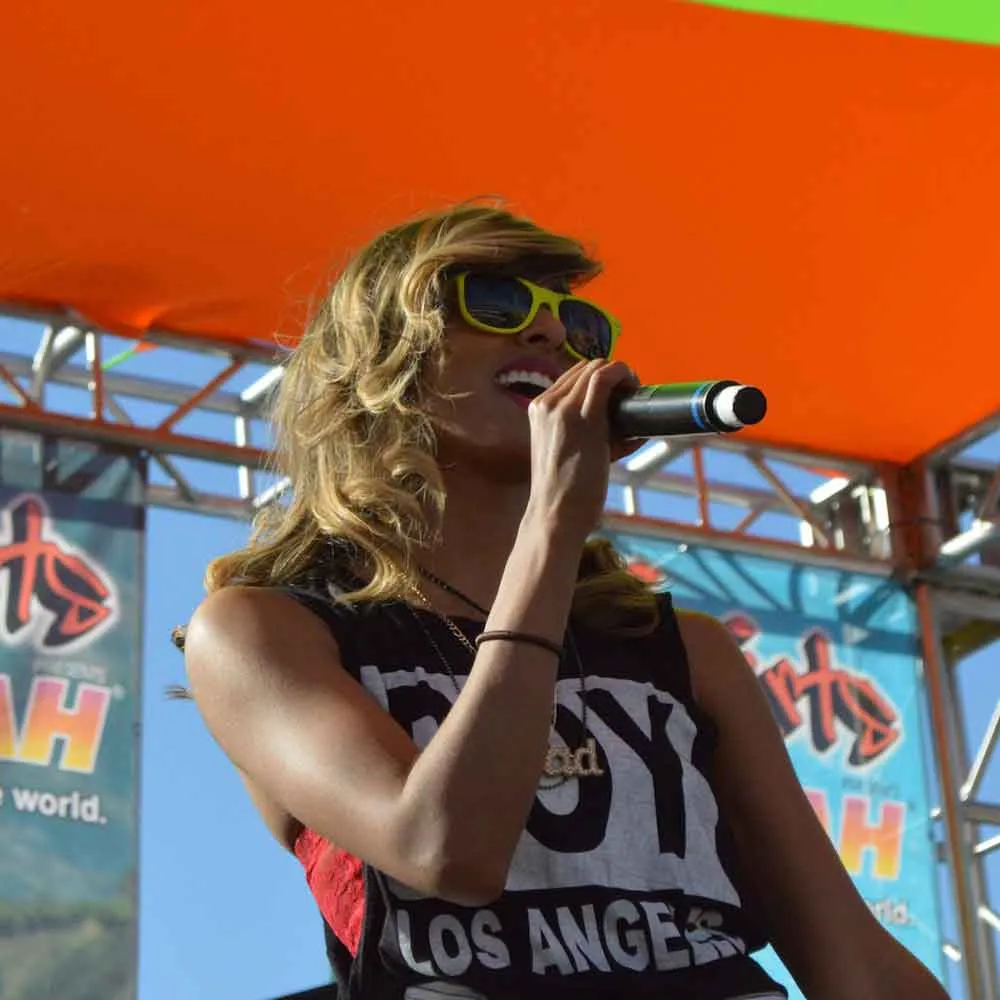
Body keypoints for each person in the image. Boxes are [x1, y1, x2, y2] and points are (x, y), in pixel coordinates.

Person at [177, 203, 949, 1000]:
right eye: (496, 304)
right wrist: (553, 524)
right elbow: (446, 849)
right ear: (378, 358)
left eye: (578, 326)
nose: (550, 335)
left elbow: (853, 961)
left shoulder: (684, 651)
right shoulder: (262, 632)